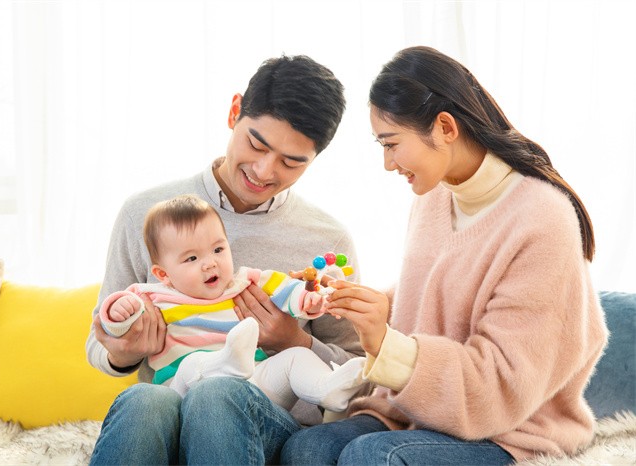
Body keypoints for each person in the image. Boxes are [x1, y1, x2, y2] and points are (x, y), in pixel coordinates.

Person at [281, 46, 608, 465]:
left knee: (372, 457)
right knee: (307, 448)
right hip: (419, 413)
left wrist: (386, 341)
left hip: (512, 429)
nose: (388, 163)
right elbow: (435, 294)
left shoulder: (542, 220)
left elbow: (500, 387)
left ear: (445, 127)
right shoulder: (434, 196)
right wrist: (356, 303)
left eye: (392, 144)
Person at [87, 54, 366, 465]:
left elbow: (358, 368)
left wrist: (294, 341)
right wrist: (124, 351)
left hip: (261, 422)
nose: (264, 170)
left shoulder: (326, 238)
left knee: (217, 395)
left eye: (291, 162)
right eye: (257, 144)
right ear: (235, 111)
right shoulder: (144, 214)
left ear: (314, 159)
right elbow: (98, 343)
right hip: (168, 407)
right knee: (143, 399)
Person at [99, 194, 365, 411]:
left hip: (254, 386)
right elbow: (115, 315)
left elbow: (287, 289)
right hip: (184, 393)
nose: (210, 263)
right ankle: (224, 362)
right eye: (192, 258)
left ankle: (325, 389)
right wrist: (119, 310)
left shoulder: (244, 281)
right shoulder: (156, 296)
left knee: (296, 356)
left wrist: (308, 300)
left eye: (218, 250)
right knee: (193, 363)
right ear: (163, 274)